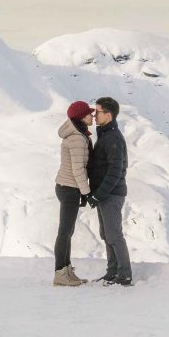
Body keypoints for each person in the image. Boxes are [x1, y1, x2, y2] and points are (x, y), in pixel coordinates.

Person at [83, 97, 132, 286]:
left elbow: (115, 172)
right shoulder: (105, 135)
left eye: (98, 112)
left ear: (109, 115)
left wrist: (98, 194)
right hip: (105, 194)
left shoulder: (113, 138)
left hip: (111, 194)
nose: (94, 115)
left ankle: (124, 275)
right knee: (106, 234)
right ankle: (112, 272)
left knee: (114, 234)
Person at [52, 100, 94, 286]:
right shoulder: (77, 138)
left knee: (67, 232)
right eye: (88, 113)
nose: (92, 115)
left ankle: (66, 271)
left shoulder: (78, 135)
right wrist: (86, 193)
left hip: (66, 186)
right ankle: (60, 274)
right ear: (80, 117)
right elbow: (78, 169)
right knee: (65, 232)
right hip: (70, 188)